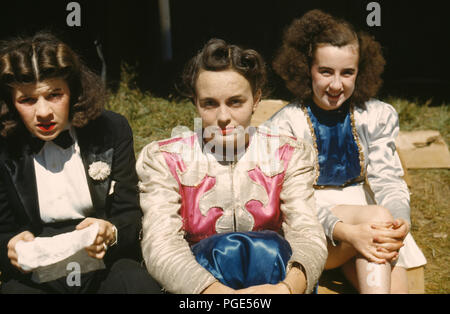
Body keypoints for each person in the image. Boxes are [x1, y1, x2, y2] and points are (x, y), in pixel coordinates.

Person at [136, 38, 327, 294]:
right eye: (210, 104)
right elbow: (161, 244)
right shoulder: (165, 159)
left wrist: (287, 289)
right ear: (195, 102)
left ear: (256, 99)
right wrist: (219, 295)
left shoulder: (288, 153)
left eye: (235, 102)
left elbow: (307, 233)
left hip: (276, 284)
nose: (224, 117)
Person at [268, 9, 427, 293]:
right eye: (325, 71)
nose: (336, 85)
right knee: (377, 221)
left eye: (347, 73)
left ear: (360, 72)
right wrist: (350, 232)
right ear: (306, 69)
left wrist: (401, 218)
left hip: (370, 218)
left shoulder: (375, 115)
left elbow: (388, 179)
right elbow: (292, 201)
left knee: (394, 274)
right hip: (314, 222)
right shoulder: (286, 124)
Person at [0, 32, 161, 293]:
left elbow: (129, 213)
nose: (43, 113)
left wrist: (111, 232)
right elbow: (3, 230)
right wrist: (10, 247)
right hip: (37, 271)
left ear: (73, 90)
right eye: (27, 100)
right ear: (10, 102)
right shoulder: (4, 145)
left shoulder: (111, 129)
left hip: (102, 260)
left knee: (138, 285)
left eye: (54, 95)